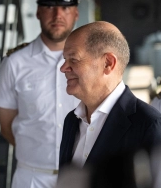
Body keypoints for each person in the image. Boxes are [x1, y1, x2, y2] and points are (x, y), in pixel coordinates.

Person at [0, 0, 86, 188]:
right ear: (38, 12)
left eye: (65, 8)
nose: (57, 14)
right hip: (31, 178)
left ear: (76, 13)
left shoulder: (91, 62)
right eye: (49, 6)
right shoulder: (14, 63)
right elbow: (7, 125)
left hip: (81, 174)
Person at [58, 21, 161, 171]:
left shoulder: (149, 125)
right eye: (65, 59)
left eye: (73, 59)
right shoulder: (71, 121)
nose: (63, 68)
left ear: (108, 63)